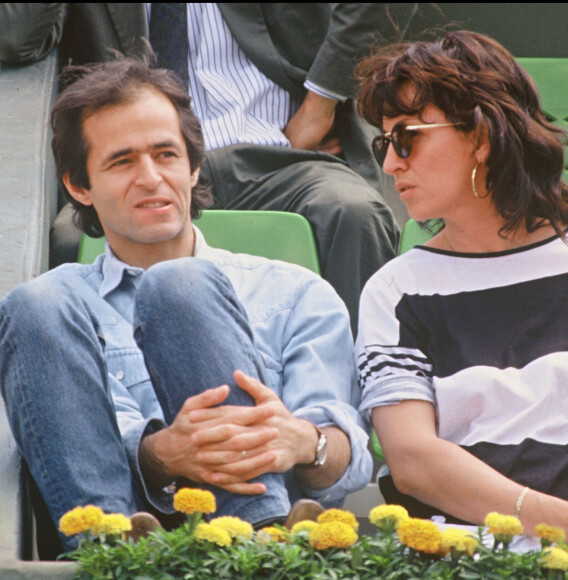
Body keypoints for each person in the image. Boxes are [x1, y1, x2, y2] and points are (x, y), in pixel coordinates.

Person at [0, 53, 372, 553]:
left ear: (194, 167)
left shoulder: (294, 293)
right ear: (78, 186)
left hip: (270, 534)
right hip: (131, 530)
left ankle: (255, 538)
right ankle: (110, 552)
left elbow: (348, 460)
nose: (151, 177)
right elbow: (78, 444)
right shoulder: (56, 312)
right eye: (122, 161)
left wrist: (306, 440)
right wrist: (159, 455)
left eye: (166, 155)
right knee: (32, 300)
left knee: (181, 285)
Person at [0, 3, 408, 335]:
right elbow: (15, 37)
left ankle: (368, 416)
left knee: (353, 212)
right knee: (71, 238)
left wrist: (321, 102)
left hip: (282, 151)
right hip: (143, 164)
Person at [354, 30, 568, 540]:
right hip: (470, 556)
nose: (391, 164)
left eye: (406, 136)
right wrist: (563, 525)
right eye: (383, 143)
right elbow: (413, 460)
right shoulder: (396, 291)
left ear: (482, 136)